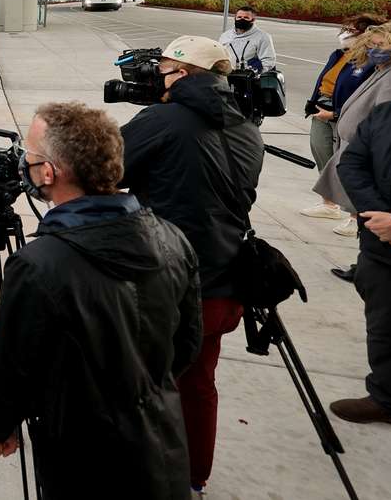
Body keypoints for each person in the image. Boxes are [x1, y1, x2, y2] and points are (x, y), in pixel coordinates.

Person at [0, 102, 200, 498]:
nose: (21, 163)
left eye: (28, 155)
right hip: (162, 447)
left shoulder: (40, 265)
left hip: (84, 466)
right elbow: (186, 346)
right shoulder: (171, 237)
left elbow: (11, 369)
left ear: (49, 172)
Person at [120, 35, 264, 496]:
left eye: (162, 69)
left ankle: (142, 473)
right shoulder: (247, 126)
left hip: (166, 280)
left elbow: (108, 170)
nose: (154, 76)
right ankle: (192, 478)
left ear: (182, 74)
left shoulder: (163, 120)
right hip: (225, 278)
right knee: (198, 382)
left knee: (142, 380)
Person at [332, 97, 391, 427]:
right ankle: (389, 399)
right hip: (383, 247)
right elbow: (351, 165)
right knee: (386, 328)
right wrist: (383, 223)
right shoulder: (390, 112)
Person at [314, 22, 391, 241]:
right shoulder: (386, 69)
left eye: (381, 45)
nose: (374, 50)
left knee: (371, 214)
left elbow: (389, 121)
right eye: (371, 44)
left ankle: (366, 259)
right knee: (363, 213)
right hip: (359, 146)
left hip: (371, 153)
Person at [301, 14, 385, 222]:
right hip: (322, 108)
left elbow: (365, 96)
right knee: (322, 154)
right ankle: (329, 204)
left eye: (351, 30)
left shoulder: (371, 62)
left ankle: (356, 216)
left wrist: (336, 113)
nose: (345, 33)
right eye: (345, 28)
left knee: (348, 165)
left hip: (346, 117)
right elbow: (325, 79)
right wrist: (314, 103)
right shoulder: (338, 54)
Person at [218, 5, 276, 71]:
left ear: (253, 20)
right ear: (235, 18)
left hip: (249, 78)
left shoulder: (263, 37)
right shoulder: (225, 35)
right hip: (225, 75)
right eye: (239, 17)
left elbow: (268, 61)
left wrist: (252, 71)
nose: (242, 19)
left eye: (246, 18)